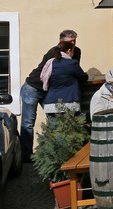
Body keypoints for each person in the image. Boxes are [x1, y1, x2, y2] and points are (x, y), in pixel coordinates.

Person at [20, 29, 80, 162]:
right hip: (32, 87)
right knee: (28, 123)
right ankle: (26, 156)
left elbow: (73, 70)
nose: (73, 44)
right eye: (70, 41)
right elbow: (60, 72)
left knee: (54, 120)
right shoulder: (53, 52)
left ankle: (54, 153)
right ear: (61, 42)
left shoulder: (77, 52)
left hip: (48, 91)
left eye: (74, 41)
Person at [41, 41, 88, 118]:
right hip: (69, 103)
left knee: (53, 129)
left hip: (51, 104)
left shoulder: (50, 63)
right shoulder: (72, 63)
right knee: (72, 129)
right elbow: (83, 77)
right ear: (69, 51)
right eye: (73, 51)